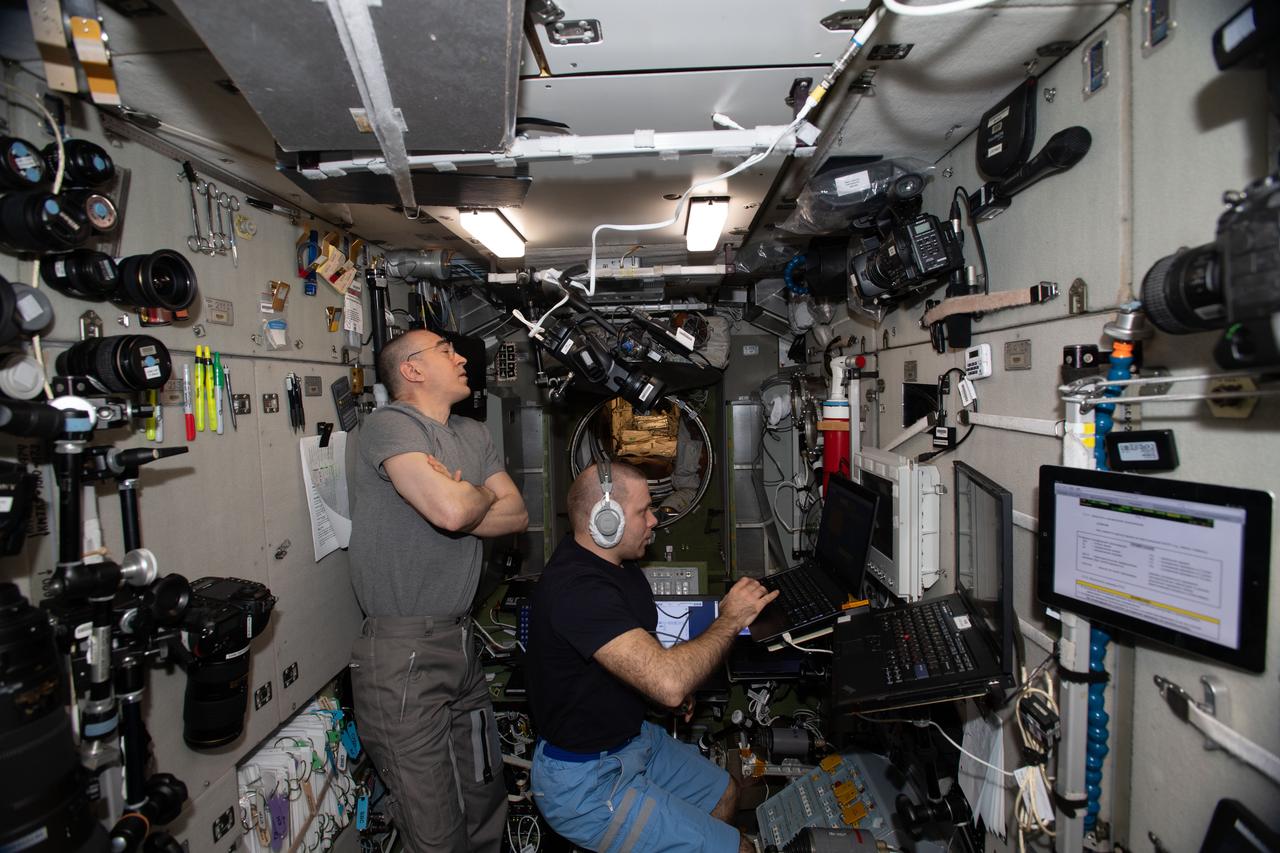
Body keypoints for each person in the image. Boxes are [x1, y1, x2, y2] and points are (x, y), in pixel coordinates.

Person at [526, 460, 779, 853]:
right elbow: (668, 684)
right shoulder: (578, 590)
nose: (654, 520)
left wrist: (660, 691)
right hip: (588, 782)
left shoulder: (617, 565)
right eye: (643, 511)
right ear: (605, 520)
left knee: (724, 794)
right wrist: (730, 619)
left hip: (630, 740)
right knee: (740, 849)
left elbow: (639, 659)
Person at [347, 328, 529, 853]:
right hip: (404, 653)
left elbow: (516, 514)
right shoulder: (390, 426)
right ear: (412, 369)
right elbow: (450, 513)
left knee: (484, 800)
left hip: (459, 643)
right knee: (436, 831)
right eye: (445, 352)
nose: (461, 358)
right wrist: (476, 494)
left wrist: (462, 491)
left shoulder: (473, 433)